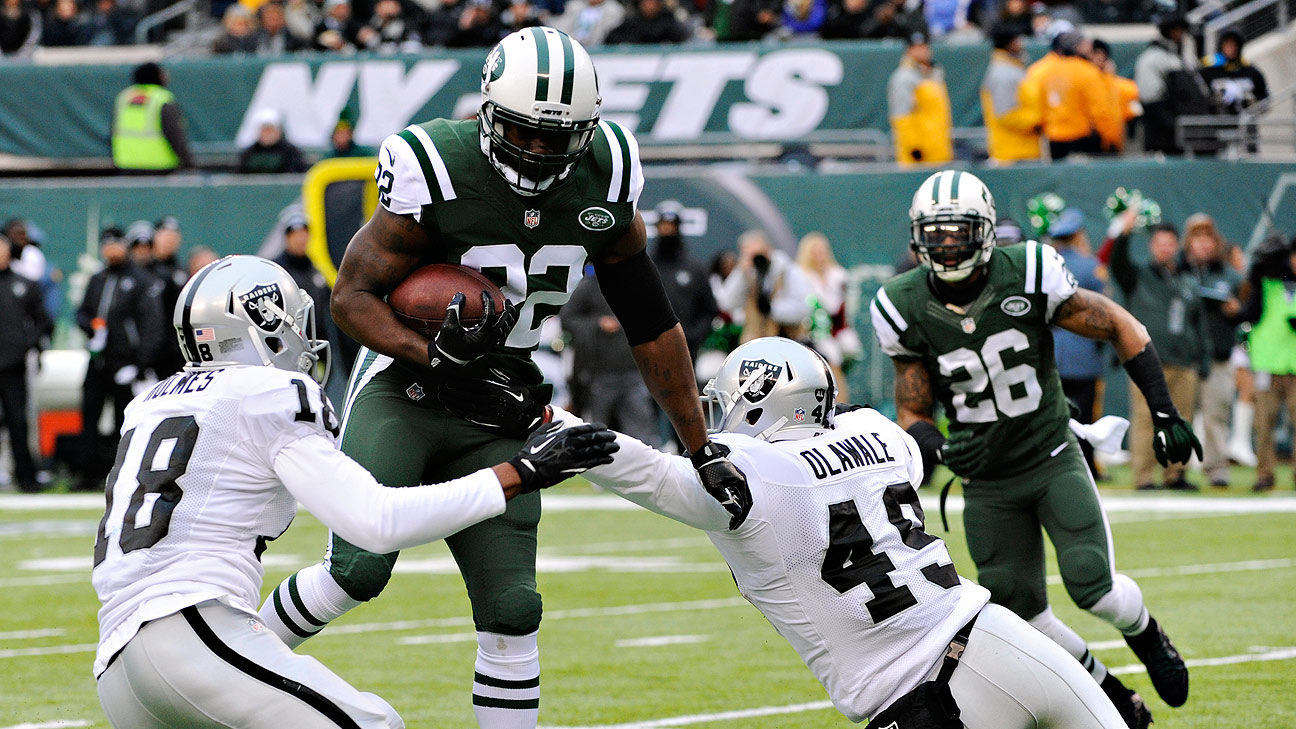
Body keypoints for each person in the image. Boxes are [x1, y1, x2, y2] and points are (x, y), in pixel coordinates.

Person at [257, 27, 751, 729]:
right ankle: (234, 659)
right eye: (526, 133)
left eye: (562, 137)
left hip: (506, 400)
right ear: (489, 112)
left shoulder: (606, 174)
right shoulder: (435, 163)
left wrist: (701, 446)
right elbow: (352, 299)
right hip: (409, 386)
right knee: (358, 571)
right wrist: (437, 358)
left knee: (514, 608)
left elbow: (650, 322)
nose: (543, 152)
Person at [92, 254, 617, 729]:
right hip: (192, 632)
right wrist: (523, 472)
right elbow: (374, 520)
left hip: (118, 668)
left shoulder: (151, 403)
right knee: (374, 724)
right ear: (265, 325)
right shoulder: (271, 392)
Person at [555, 336, 1131, 729]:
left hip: (915, 694)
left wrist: (550, 422)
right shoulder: (882, 436)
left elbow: (650, 475)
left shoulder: (748, 477)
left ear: (756, 405)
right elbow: (865, 439)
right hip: (1004, 639)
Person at [870, 170, 1198, 729]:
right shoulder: (901, 304)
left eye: (959, 232)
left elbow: (1119, 323)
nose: (948, 245)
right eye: (937, 234)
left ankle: (1145, 632)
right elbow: (914, 407)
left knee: (1093, 584)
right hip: (987, 480)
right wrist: (937, 447)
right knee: (1022, 613)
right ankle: (1111, 694)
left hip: (1050, 454)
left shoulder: (1029, 270)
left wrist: (1164, 409)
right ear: (918, 238)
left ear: (987, 231)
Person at [1106, 217, 1208, 491]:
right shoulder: (1138, 277)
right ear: (1152, 246)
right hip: (1146, 361)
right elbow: (1118, 264)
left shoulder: (1186, 280)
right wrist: (1124, 233)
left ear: (1176, 246)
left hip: (1184, 361)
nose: (1165, 249)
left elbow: (1198, 322)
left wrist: (1203, 358)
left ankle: (1177, 474)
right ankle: (1144, 476)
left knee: (1182, 418)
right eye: (1160, 244)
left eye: (1169, 244)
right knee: (1144, 418)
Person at [75, 228, 165, 491]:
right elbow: (83, 312)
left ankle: (123, 474)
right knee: (89, 414)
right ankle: (87, 473)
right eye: (107, 245)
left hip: (125, 361)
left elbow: (151, 325)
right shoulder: (98, 278)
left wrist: (139, 363)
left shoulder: (140, 280)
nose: (111, 250)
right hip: (98, 359)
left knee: (123, 420)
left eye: (116, 244)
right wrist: (91, 327)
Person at [563, 272, 661, 446]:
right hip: (599, 374)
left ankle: (639, 470)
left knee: (640, 433)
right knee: (597, 432)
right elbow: (567, 319)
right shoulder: (588, 287)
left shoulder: (636, 283)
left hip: (634, 371)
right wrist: (598, 323)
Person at [1049, 207, 1110, 479]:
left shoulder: (1047, 264)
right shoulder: (1089, 266)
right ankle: (1086, 468)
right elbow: (1105, 311)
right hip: (1083, 355)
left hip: (1051, 355)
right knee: (1085, 418)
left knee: (1053, 419)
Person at [1183, 214, 1243, 489]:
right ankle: (1177, 469)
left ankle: (1217, 467)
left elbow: (1246, 305)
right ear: (1189, 242)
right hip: (1185, 356)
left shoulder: (1228, 273)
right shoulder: (1179, 271)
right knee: (1180, 415)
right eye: (1197, 238)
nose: (1203, 244)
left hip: (1218, 355)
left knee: (1215, 414)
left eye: (1208, 238)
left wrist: (1235, 310)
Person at [1240, 233, 1296, 492]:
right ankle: (1265, 474)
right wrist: (1269, 252)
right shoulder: (1269, 280)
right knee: (1264, 423)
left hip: (1293, 364)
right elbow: (1252, 309)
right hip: (1266, 363)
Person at [0, 235, 51, 493]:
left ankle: (27, 478)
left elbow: (43, 320)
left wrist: (25, 344)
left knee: (18, 423)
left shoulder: (25, 284)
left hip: (13, 366)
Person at [1035, 31, 1122, 159]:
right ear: (1078, 47)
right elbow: (1100, 110)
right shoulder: (1088, 72)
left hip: (1054, 137)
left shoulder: (1048, 70)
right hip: (1081, 137)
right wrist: (1111, 139)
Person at [715, 230, 811, 343]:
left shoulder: (789, 271)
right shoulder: (748, 275)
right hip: (755, 341)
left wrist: (772, 309)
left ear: (768, 249)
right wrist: (740, 271)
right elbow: (727, 303)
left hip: (787, 339)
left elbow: (803, 309)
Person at [650, 204, 718, 362]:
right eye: (663, 226)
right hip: (649, 345)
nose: (667, 231)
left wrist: (693, 335)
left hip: (685, 348)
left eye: (671, 227)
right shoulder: (646, 266)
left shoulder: (694, 268)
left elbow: (709, 309)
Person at [796, 232, 860, 396]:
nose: (820, 256)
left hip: (837, 331)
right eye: (815, 252)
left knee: (843, 357)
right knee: (831, 363)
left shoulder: (839, 276)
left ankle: (841, 400)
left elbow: (845, 308)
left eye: (823, 251)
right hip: (813, 334)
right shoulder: (802, 277)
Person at [1134, 13, 1209, 155]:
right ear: (1167, 31)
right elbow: (1152, 103)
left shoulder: (1185, 59)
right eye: (1176, 30)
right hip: (1165, 143)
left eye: (1182, 30)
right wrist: (1176, 127)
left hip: (1190, 139)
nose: (1180, 34)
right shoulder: (1151, 59)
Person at [111, 62, 195, 174]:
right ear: (157, 76)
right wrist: (188, 163)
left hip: (126, 165)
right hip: (159, 166)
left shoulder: (124, 97)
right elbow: (175, 134)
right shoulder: (162, 98)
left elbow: (113, 131)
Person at [887, 31, 953, 166]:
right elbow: (902, 116)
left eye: (924, 46)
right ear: (908, 51)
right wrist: (914, 147)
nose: (921, 51)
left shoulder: (934, 75)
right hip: (919, 157)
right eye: (916, 47)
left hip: (939, 151)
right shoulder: (904, 78)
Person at [981, 24, 1042, 164]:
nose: (1021, 44)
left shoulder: (1014, 68)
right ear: (1008, 44)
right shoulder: (1002, 73)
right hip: (1012, 154)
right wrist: (1036, 121)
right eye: (1017, 40)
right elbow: (1005, 113)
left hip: (1025, 150)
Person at [238, 108, 308, 174]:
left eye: (271, 130)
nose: (268, 134)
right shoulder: (248, 153)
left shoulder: (291, 152)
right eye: (264, 130)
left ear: (279, 131)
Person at [605, 0, 690, 43]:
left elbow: (683, 35)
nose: (649, 6)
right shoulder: (632, 21)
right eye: (646, 2)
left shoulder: (667, 19)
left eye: (652, 2)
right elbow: (611, 38)